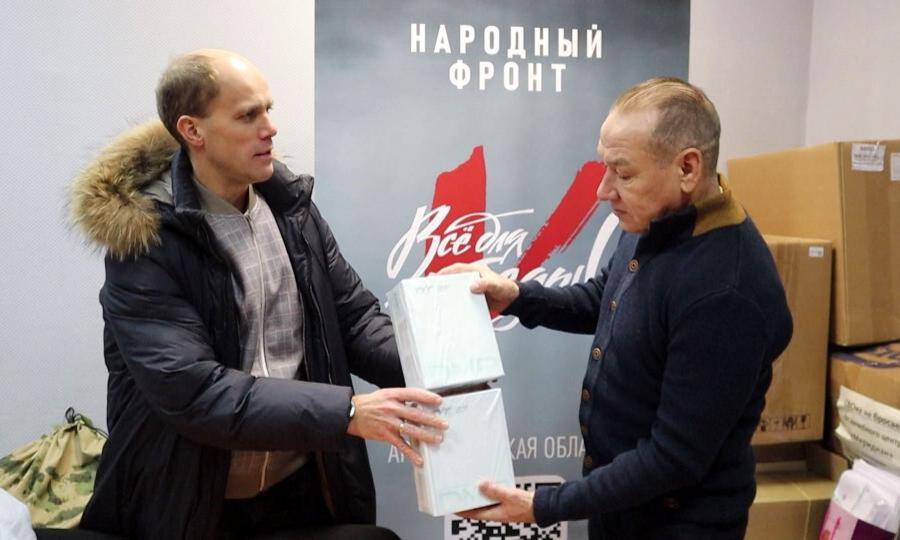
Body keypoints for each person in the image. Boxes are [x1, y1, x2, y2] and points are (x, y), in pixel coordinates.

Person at [69, 49, 446, 539]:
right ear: (193, 130)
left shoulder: (293, 211)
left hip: (299, 492)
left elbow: (353, 321)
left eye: (268, 109)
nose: (270, 128)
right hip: (189, 504)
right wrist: (348, 413)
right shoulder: (146, 241)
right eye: (248, 116)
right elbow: (198, 392)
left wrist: (442, 361)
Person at [444, 77, 793, 539]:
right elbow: (605, 299)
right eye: (605, 168)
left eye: (624, 174)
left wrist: (544, 506)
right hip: (622, 508)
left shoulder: (725, 292)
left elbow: (672, 457)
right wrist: (516, 296)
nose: (603, 190)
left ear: (688, 168)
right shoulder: (661, 219)